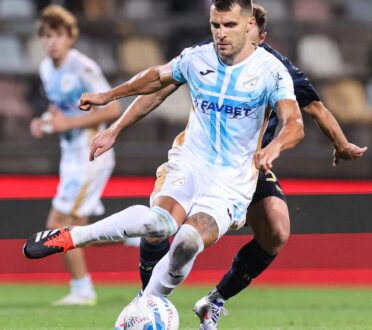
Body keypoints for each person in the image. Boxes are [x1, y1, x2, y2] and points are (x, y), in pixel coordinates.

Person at [23, 0, 303, 320]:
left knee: (186, 241)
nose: (221, 34)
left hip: (233, 181)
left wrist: (275, 147)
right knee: (161, 222)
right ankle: (70, 237)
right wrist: (109, 101)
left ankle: (147, 305)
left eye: (230, 26)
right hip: (190, 162)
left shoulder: (271, 71)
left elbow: (294, 123)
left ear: (249, 25)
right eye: (215, 26)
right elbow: (156, 79)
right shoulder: (197, 58)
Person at [117, 4, 367, 329]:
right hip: (203, 157)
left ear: (260, 34)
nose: (232, 35)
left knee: (276, 231)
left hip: (250, 163)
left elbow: (315, 108)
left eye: (247, 30)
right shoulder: (207, 57)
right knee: (163, 224)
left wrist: (341, 143)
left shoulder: (276, 69)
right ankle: (146, 298)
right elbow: (162, 84)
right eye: (224, 27)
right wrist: (117, 124)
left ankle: (214, 300)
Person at [29, 4, 121, 306]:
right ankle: (138, 234)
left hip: (89, 154)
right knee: (80, 229)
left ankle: (82, 290)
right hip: (70, 155)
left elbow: (112, 108)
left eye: (57, 35)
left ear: (71, 37)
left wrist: (67, 123)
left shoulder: (82, 67)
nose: (51, 42)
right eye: (46, 36)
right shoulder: (46, 68)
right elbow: (62, 110)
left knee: (57, 222)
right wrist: (45, 121)